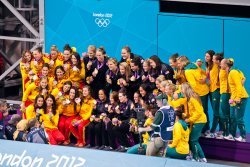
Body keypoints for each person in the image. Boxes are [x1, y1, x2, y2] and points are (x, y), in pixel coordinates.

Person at [181, 82, 207, 162]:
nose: (181, 91)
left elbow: (199, 112)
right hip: (197, 121)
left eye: (181, 89)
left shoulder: (192, 99)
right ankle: (200, 157)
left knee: (193, 140)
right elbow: (193, 112)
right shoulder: (189, 99)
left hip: (200, 121)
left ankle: (199, 158)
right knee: (193, 139)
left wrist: (189, 120)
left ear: (185, 89)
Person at [224, 58, 248, 142]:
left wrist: (238, 98)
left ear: (226, 65)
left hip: (240, 98)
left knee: (239, 118)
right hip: (234, 98)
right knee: (233, 116)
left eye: (221, 64)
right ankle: (232, 134)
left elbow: (238, 85)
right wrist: (233, 98)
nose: (220, 65)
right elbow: (243, 78)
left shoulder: (233, 72)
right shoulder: (234, 71)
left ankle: (243, 136)